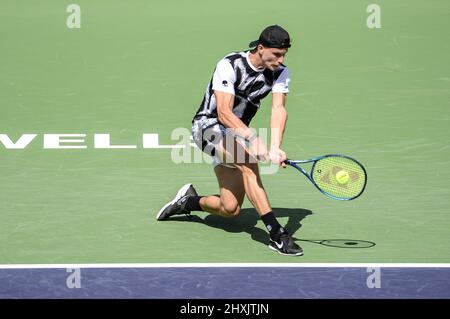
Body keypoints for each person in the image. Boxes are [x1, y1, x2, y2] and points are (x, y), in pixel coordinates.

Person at [156, 25, 303, 256]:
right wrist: (253, 139)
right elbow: (224, 112)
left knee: (230, 208)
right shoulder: (230, 64)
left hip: (234, 135)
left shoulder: (280, 72)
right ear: (261, 48)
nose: (280, 59)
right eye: (276, 54)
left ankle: (188, 202)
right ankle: (276, 234)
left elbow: (278, 109)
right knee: (247, 162)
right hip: (207, 127)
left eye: (284, 54)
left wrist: (275, 147)